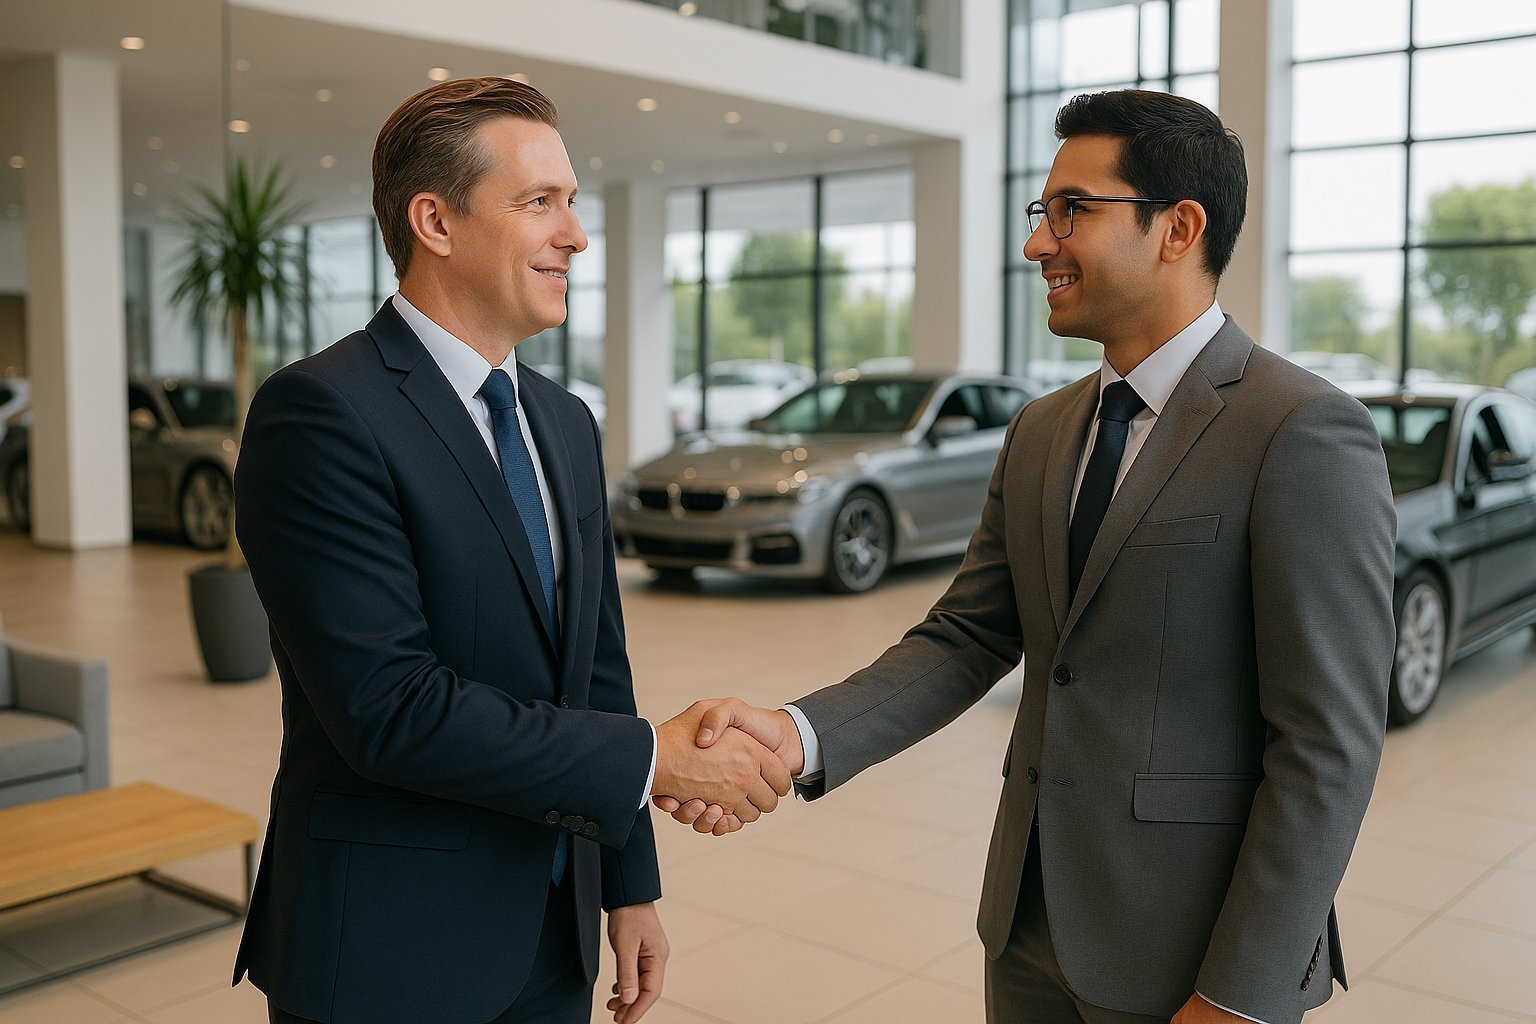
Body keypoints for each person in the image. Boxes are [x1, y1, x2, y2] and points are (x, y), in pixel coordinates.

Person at [659, 89, 1397, 1024]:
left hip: (1191, 951)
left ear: (1179, 228)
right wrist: (797, 734)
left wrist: (1239, 998)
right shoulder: (1043, 429)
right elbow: (967, 637)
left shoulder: (1301, 430)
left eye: (1072, 211)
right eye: (1041, 211)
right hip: (1027, 927)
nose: (1038, 244)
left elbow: (1328, 744)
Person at [232, 77, 790, 1024]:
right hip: (390, 948)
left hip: (553, 934)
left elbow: (596, 670)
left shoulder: (564, 421)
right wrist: (651, 762)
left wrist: (629, 884)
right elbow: (387, 708)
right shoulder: (321, 413)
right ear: (434, 222)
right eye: (539, 202)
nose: (575, 235)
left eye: (572, 202)